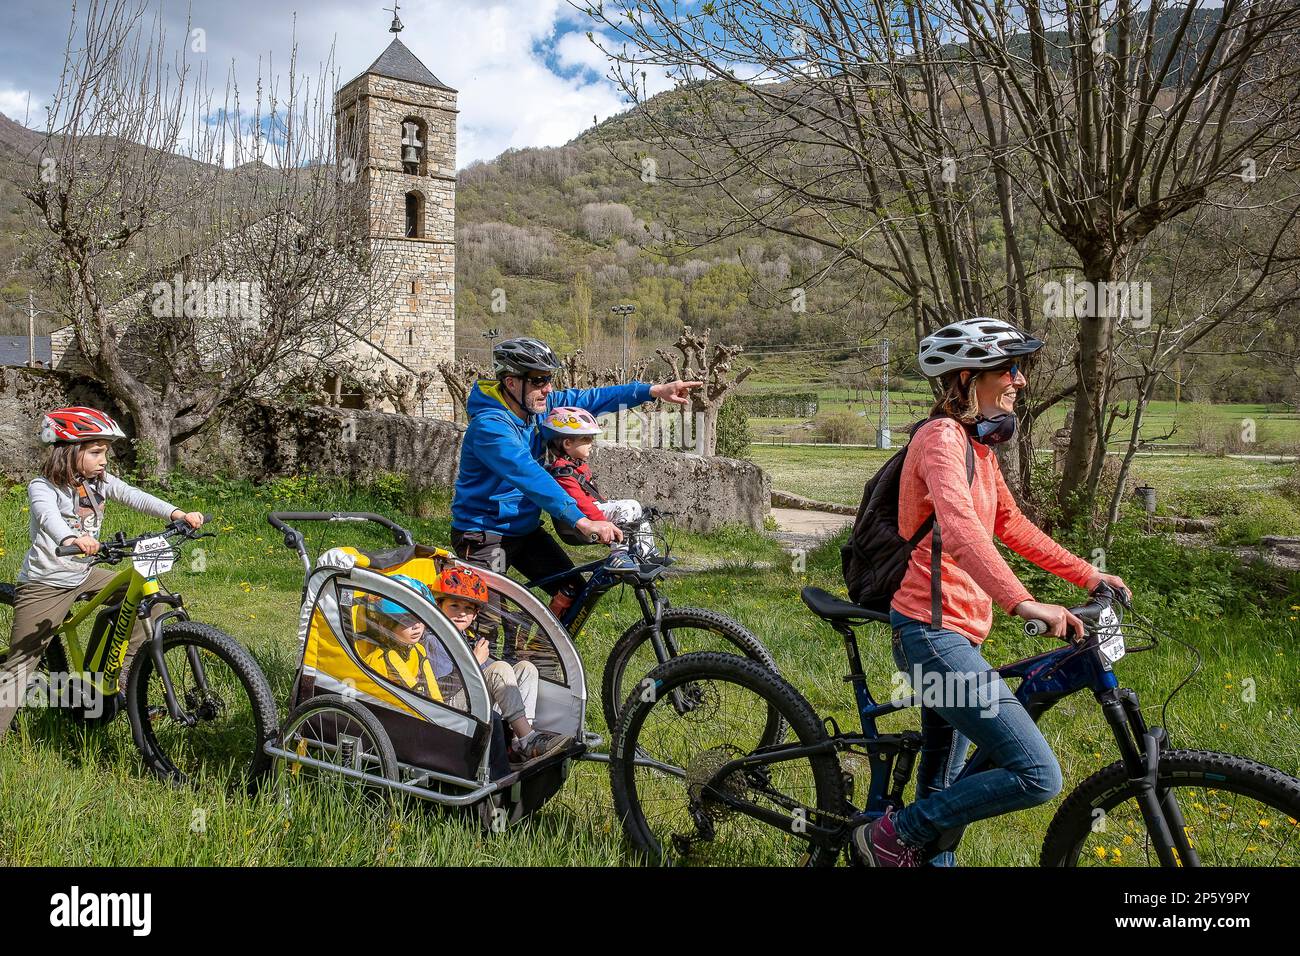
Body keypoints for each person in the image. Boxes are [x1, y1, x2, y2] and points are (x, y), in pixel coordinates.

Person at [852, 318, 1131, 867]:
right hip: (931, 635)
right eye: (1009, 368)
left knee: (943, 785)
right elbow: (959, 528)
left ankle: (909, 840)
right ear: (966, 378)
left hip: (958, 634)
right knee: (1036, 773)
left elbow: (1012, 525)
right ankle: (889, 835)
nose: (1020, 380)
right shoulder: (939, 439)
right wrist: (1022, 602)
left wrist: (1089, 576)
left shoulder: (978, 449)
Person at [450, 336, 699, 615]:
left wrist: (652, 390)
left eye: (549, 380)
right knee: (488, 621)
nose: (547, 389)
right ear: (511, 382)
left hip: (525, 530)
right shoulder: (490, 427)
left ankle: (536, 656)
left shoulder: (533, 408)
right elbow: (529, 474)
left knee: (573, 592)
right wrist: (580, 520)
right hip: (485, 534)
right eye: (539, 381)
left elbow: (589, 399)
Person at [0, 406, 205, 739]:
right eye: (95, 452)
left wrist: (175, 513)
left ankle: (121, 679)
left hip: (85, 572)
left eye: (105, 452)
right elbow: (48, 516)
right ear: (68, 451)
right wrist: (71, 538)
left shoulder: (98, 483)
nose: (104, 459)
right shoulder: (42, 487)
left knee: (146, 600)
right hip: (46, 583)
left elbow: (133, 495)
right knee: (21, 664)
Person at [429, 564, 572, 763]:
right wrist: (475, 663)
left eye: (468, 608)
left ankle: (519, 741)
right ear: (439, 606)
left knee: (526, 669)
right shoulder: (435, 639)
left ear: (476, 614)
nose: (462, 613)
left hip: (470, 699)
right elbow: (440, 690)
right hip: (445, 709)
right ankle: (528, 740)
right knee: (499, 670)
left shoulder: (464, 636)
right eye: (454, 605)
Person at [540, 406, 655, 571]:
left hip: (592, 512)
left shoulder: (576, 466)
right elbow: (579, 502)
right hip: (582, 519)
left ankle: (646, 553)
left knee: (637, 508)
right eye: (586, 439)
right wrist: (602, 522)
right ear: (567, 443)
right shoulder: (563, 471)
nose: (591, 444)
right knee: (626, 507)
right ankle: (619, 555)